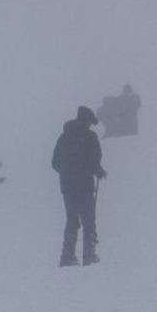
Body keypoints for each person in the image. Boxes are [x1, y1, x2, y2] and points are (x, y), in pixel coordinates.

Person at [51, 106, 107, 267]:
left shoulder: (63, 137)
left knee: (72, 219)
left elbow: (54, 162)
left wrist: (67, 173)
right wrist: (99, 172)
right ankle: (89, 255)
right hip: (84, 185)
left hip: (67, 186)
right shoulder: (90, 137)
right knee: (88, 219)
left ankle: (67, 256)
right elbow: (94, 161)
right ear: (87, 121)